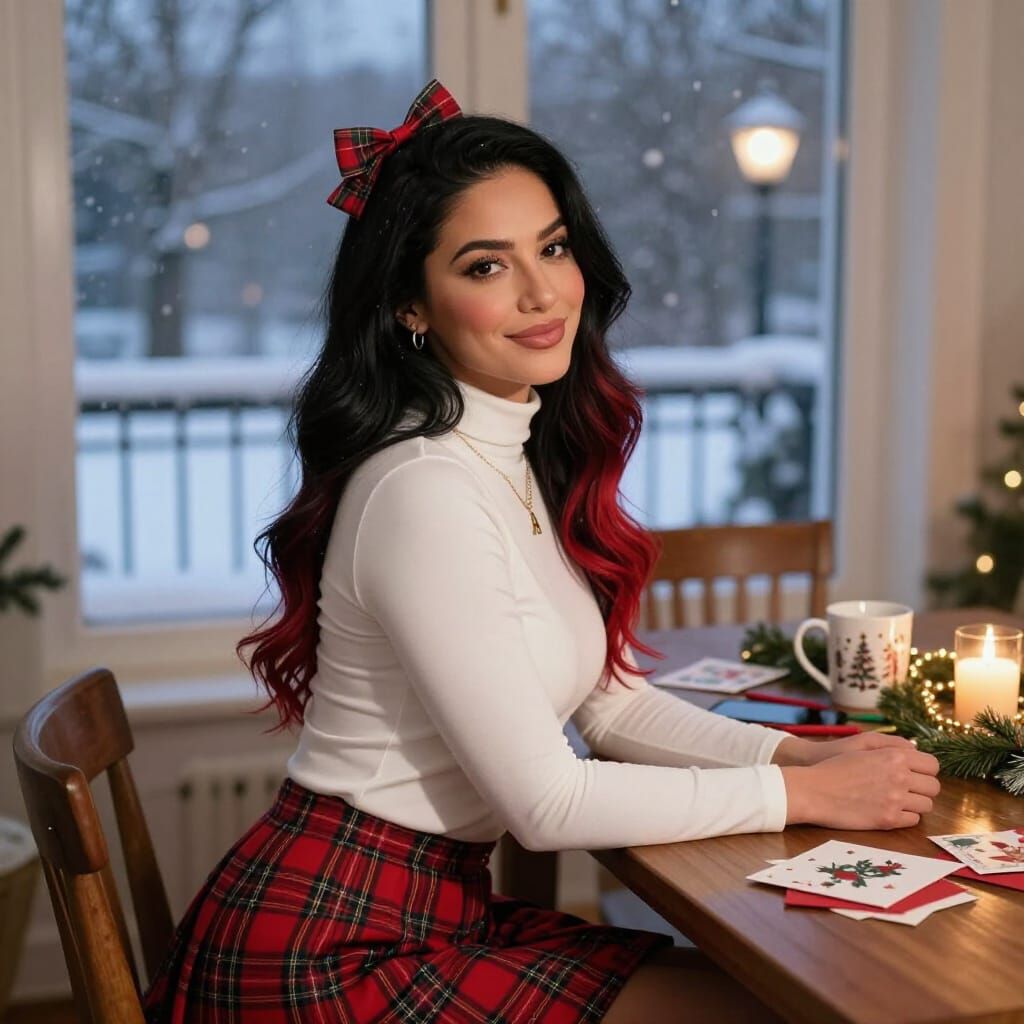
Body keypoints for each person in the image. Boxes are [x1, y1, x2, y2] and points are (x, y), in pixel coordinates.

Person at [142, 79, 941, 1023]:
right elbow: (548, 808)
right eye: (485, 266)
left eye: (552, 248)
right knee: (782, 1006)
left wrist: (798, 759)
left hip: (430, 908)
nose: (541, 292)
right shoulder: (423, 489)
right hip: (330, 945)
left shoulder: (509, 450)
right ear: (412, 304)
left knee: (785, 994)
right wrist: (800, 797)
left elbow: (609, 705)